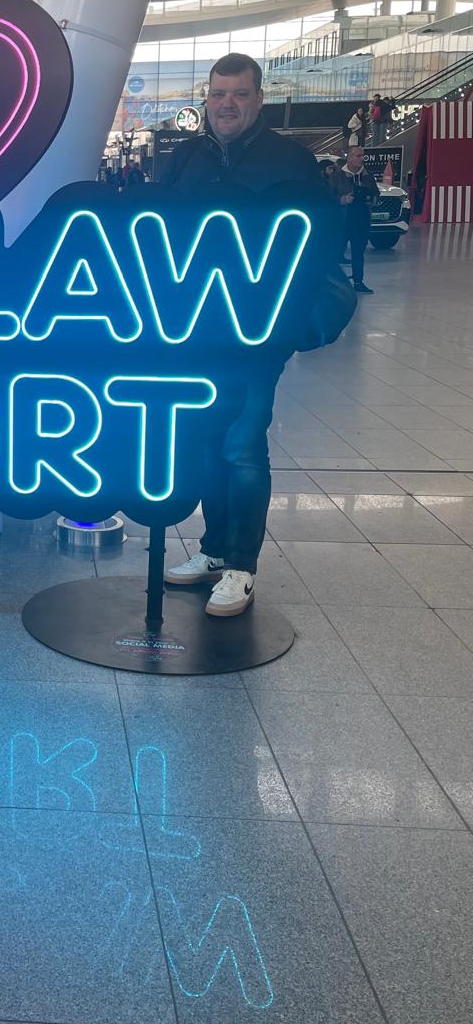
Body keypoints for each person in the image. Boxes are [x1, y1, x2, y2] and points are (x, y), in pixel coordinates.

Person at [160, 53, 325, 618]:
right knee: (206, 444)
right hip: (195, 333)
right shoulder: (183, 159)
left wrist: (294, 325)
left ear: (258, 99)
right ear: (206, 99)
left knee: (242, 446)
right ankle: (213, 551)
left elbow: (317, 249)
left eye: (239, 94)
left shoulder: (292, 162)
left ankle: (241, 566)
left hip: (257, 334)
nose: (227, 104)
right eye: (218, 94)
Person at [335, 143, 377, 294]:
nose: (361, 159)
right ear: (350, 157)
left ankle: (358, 281)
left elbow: (375, 194)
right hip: (342, 220)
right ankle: (334, 283)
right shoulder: (338, 176)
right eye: (358, 156)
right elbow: (327, 196)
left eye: (362, 156)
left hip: (361, 220)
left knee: (358, 252)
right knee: (336, 251)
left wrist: (370, 199)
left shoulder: (367, 176)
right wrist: (342, 199)